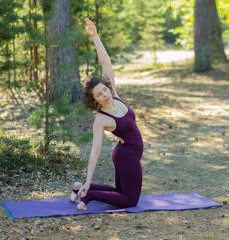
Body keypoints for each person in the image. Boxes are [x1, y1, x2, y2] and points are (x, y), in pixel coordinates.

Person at [70, 18, 144, 210]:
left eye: (105, 90)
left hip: (127, 153)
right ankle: (90, 194)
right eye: (99, 94)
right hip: (127, 156)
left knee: (120, 192)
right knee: (130, 200)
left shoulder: (115, 96)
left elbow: (106, 62)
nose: (105, 95)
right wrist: (89, 178)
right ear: (94, 100)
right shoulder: (101, 119)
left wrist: (95, 36)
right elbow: (95, 151)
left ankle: (80, 189)